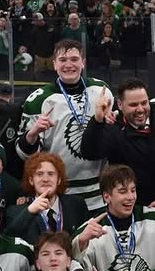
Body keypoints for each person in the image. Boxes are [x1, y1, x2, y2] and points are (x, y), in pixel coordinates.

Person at [18, 40, 114, 214]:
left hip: (99, 192)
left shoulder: (102, 91)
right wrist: (33, 134)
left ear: (83, 62)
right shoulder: (38, 100)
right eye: (63, 60)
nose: (69, 65)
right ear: (54, 64)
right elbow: (24, 155)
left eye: (74, 59)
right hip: (58, 193)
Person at [73, 165, 155, 271]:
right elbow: (70, 266)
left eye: (133, 190)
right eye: (123, 191)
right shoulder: (91, 230)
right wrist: (81, 243)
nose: (131, 197)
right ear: (106, 197)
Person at [79, 78, 155, 206]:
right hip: (131, 205)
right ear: (120, 105)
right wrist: (97, 119)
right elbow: (89, 153)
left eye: (144, 103)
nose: (140, 109)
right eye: (133, 105)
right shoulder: (113, 127)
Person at [5, 152, 88, 245]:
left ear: (59, 180)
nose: (45, 179)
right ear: (31, 180)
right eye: (39, 174)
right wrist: (29, 211)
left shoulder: (76, 205)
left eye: (51, 174)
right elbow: (7, 239)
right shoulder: (16, 211)